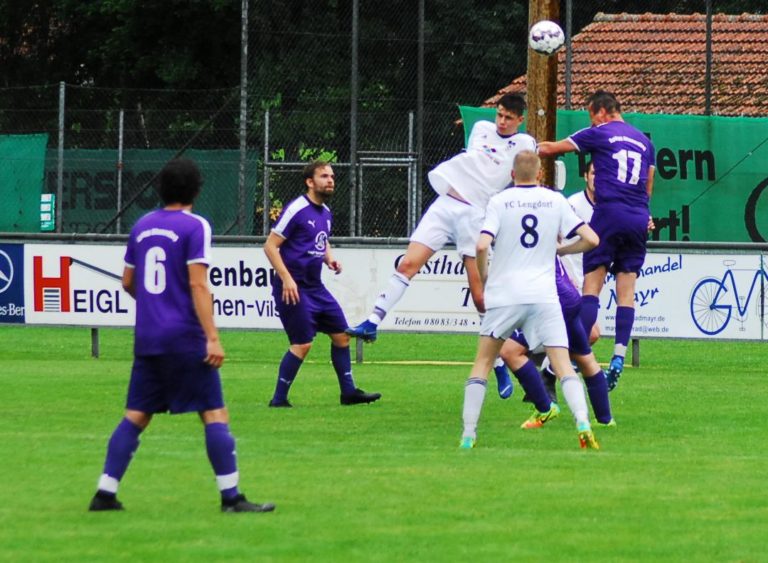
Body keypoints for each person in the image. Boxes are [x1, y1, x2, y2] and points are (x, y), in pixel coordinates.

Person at [88, 158, 274, 513]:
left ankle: (104, 493)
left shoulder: (141, 226)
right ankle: (232, 498)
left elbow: (127, 282)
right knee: (214, 414)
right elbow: (198, 284)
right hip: (185, 339)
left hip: (148, 339)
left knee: (136, 416)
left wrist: (157, 305)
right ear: (197, 190)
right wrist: (213, 337)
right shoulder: (195, 227)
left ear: (160, 189)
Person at [346, 93, 537, 399]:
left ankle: (500, 361)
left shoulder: (525, 143)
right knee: (408, 264)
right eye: (500, 114)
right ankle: (372, 321)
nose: (502, 121)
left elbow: (536, 157)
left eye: (508, 118)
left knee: (479, 297)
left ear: (520, 120)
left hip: (475, 215)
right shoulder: (482, 130)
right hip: (446, 204)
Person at [459, 150, 600, 450]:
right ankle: (583, 423)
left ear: (512, 175)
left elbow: (482, 244)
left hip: (505, 295)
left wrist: (484, 279)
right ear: (539, 174)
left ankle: (469, 434)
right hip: (543, 296)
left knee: (483, 363)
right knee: (563, 365)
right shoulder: (555, 200)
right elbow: (592, 239)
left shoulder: (499, 201)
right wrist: (561, 251)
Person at [538, 90, 655, 391]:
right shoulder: (646, 142)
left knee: (592, 289)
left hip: (608, 213)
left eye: (591, 116)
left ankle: (566, 361)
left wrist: (528, 148)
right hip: (639, 217)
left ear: (602, 112)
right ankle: (618, 357)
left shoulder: (600, 133)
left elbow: (553, 148)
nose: (591, 123)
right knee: (626, 291)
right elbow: (648, 185)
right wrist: (644, 216)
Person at [264, 161, 381, 407]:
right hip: (293, 286)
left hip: (315, 287)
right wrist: (286, 278)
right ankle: (278, 399)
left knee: (341, 336)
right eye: (324, 176)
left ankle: (348, 393)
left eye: (332, 176)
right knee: (302, 344)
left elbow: (320, 241)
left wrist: (329, 259)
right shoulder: (297, 209)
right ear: (310, 182)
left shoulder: (325, 213)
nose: (330, 180)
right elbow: (270, 246)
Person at [499, 255, 615, 429]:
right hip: (568, 295)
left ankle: (545, 407)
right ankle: (605, 420)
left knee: (510, 351)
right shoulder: (548, 229)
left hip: (548, 301)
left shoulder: (519, 234)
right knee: (583, 356)